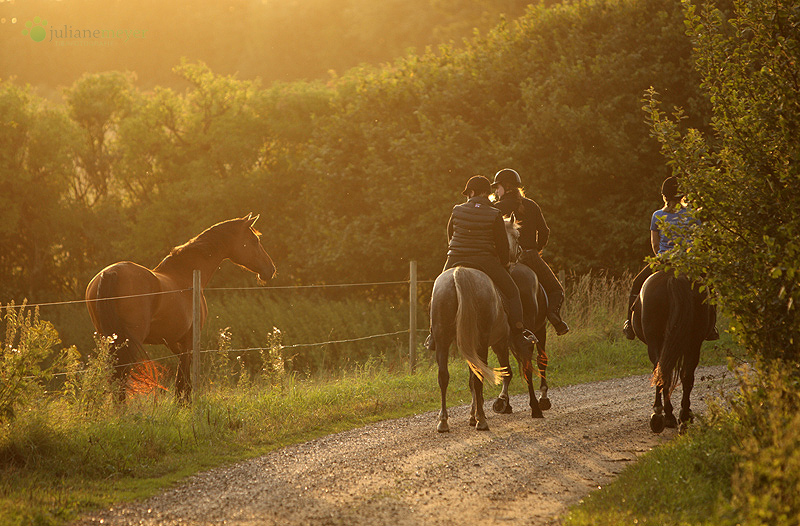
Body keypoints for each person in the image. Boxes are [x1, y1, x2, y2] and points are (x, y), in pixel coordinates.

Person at [425, 175, 536, 354]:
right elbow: (502, 245)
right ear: (486, 193)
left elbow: (450, 234)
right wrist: (504, 263)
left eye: (468, 193)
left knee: (436, 292)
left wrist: (456, 250)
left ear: (473, 192)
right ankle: (518, 334)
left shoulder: (457, 209)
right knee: (513, 292)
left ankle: (433, 335)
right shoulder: (494, 213)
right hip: (485, 260)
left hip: (455, 257)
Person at [622, 176, 718, 340]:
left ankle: (629, 325)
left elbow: (655, 244)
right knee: (710, 287)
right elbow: (697, 241)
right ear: (683, 196)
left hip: (663, 262)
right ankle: (711, 327)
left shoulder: (657, 215)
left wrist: (662, 257)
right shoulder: (692, 215)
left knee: (637, 283)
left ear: (664, 195)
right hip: (687, 263)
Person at [490, 168, 570, 336]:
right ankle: (554, 318)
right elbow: (545, 232)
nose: (496, 191)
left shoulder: (496, 208)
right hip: (530, 256)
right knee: (556, 290)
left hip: (504, 260)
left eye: (498, 187)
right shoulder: (532, 205)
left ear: (507, 186)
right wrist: (536, 249)